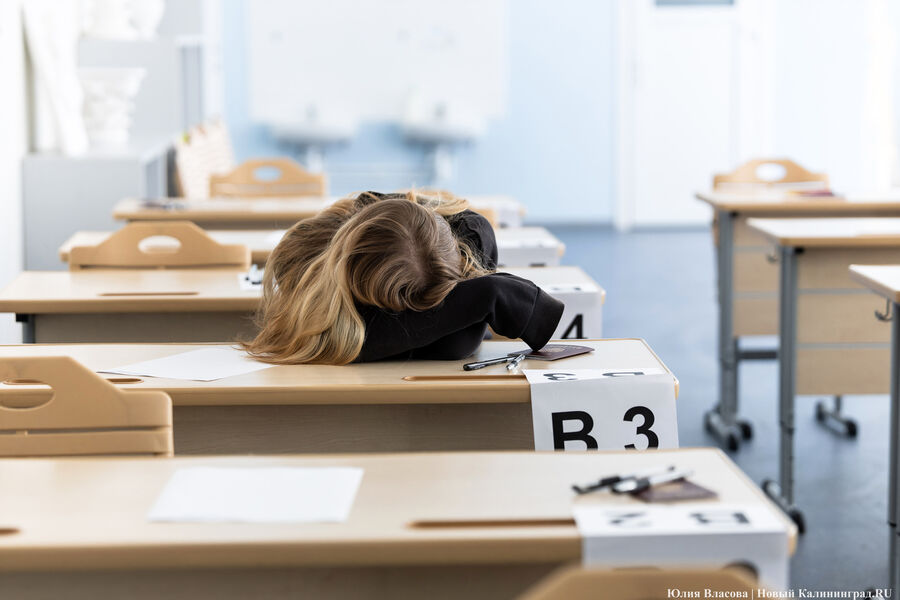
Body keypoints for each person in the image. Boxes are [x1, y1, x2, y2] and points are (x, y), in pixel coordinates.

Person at [242, 190, 564, 364]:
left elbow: (455, 344)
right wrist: (486, 295)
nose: (418, 311)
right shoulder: (304, 258)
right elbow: (453, 344)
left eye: (434, 298)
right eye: (405, 304)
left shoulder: (470, 234)